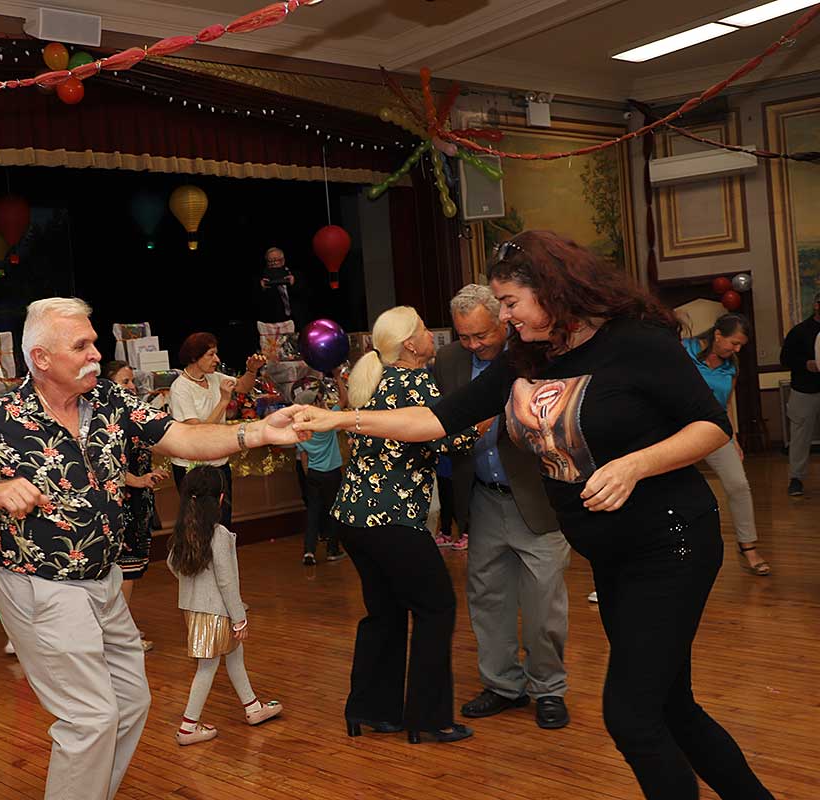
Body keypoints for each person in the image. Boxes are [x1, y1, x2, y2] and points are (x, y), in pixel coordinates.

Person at [293, 231, 775, 799]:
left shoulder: (636, 341)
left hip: (671, 542)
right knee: (670, 704)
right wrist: (340, 420)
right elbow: (435, 419)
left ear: (550, 290)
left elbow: (711, 425)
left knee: (631, 717)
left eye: (510, 301)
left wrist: (635, 465)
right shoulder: (529, 355)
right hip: (613, 556)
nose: (504, 315)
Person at [0, 298, 302, 800]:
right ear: (41, 358)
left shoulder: (109, 400)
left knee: (131, 702)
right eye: (81, 345)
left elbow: (183, 438)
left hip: (104, 581)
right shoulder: (1, 420)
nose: (95, 354)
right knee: (91, 717)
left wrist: (256, 431)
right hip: (43, 585)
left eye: (94, 342)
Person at [331, 305, 479, 745]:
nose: (432, 334)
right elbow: (449, 438)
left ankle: (370, 710)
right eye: (424, 329)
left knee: (384, 612)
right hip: (390, 518)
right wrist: (489, 415)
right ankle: (429, 719)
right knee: (437, 608)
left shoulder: (372, 379)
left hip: (353, 517)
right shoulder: (415, 381)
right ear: (410, 344)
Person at [431, 283, 571, 730]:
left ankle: (548, 688)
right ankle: (502, 685)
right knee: (487, 597)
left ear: (503, 321)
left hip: (537, 499)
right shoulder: (449, 361)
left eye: (482, 335)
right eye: (464, 337)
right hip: (482, 497)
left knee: (543, 605)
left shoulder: (535, 354)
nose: (473, 345)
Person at [168, 465, 283, 745]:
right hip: (216, 612)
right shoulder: (218, 534)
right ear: (220, 498)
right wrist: (239, 618)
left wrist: (194, 585)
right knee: (207, 667)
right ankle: (188, 727)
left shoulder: (184, 531)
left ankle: (253, 707)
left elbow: (173, 564)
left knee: (234, 655)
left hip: (193, 608)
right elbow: (227, 581)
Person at [684, 313, 770, 575]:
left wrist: (732, 438)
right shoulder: (684, 350)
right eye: (734, 343)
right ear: (718, 335)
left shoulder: (732, 365)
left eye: (741, 345)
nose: (737, 349)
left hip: (713, 429)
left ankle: (747, 547)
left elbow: (725, 405)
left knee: (738, 485)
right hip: (679, 430)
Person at [104, 359, 172, 650]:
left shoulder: (129, 415)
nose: (132, 386)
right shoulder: (107, 421)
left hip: (138, 502)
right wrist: (137, 480)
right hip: (122, 505)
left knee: (129, 570)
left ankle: (120, 631)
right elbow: (104, 465)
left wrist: (147, 475)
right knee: (125, 570)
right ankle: (120, 637)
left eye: (132, 381)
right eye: (125, 382)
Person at [169, 332, 266, 528]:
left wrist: (251, 370)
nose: (217, 360)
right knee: (200, 525)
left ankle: (223, 550)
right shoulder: (180, 388)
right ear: (194, 357)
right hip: (193, 468)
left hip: (219, 462)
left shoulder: (214, 378)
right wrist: (223, 401)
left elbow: (243, 386)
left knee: (223, 521)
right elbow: (197, 433)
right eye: (211, 354)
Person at [293, 370, 348, 566]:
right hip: (331, 473)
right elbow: (344, 400)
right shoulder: (327, 420)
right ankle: (332, 549)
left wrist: (308, 474)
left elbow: (304, 457)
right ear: (316, 402)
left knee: (313, 513)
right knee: (334, 511)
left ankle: (309, 551)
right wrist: (338, 377)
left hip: (313, 474)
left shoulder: (300, 427)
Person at [780, 291, 820, 497]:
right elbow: (785, 359)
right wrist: (805, 364)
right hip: (804, 390)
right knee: (800, 436)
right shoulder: (799, 332)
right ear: (816, 305)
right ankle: (796, 478)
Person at [258, 246, 296, 324]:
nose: (273, 263)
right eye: (270, 261)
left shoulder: (294, 274)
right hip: (274, 320)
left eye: (276, 260)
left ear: (283, 260)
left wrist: (293, 284)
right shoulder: (262, 277)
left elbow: (305, 294)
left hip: (295, 317)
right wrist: (262, 288)